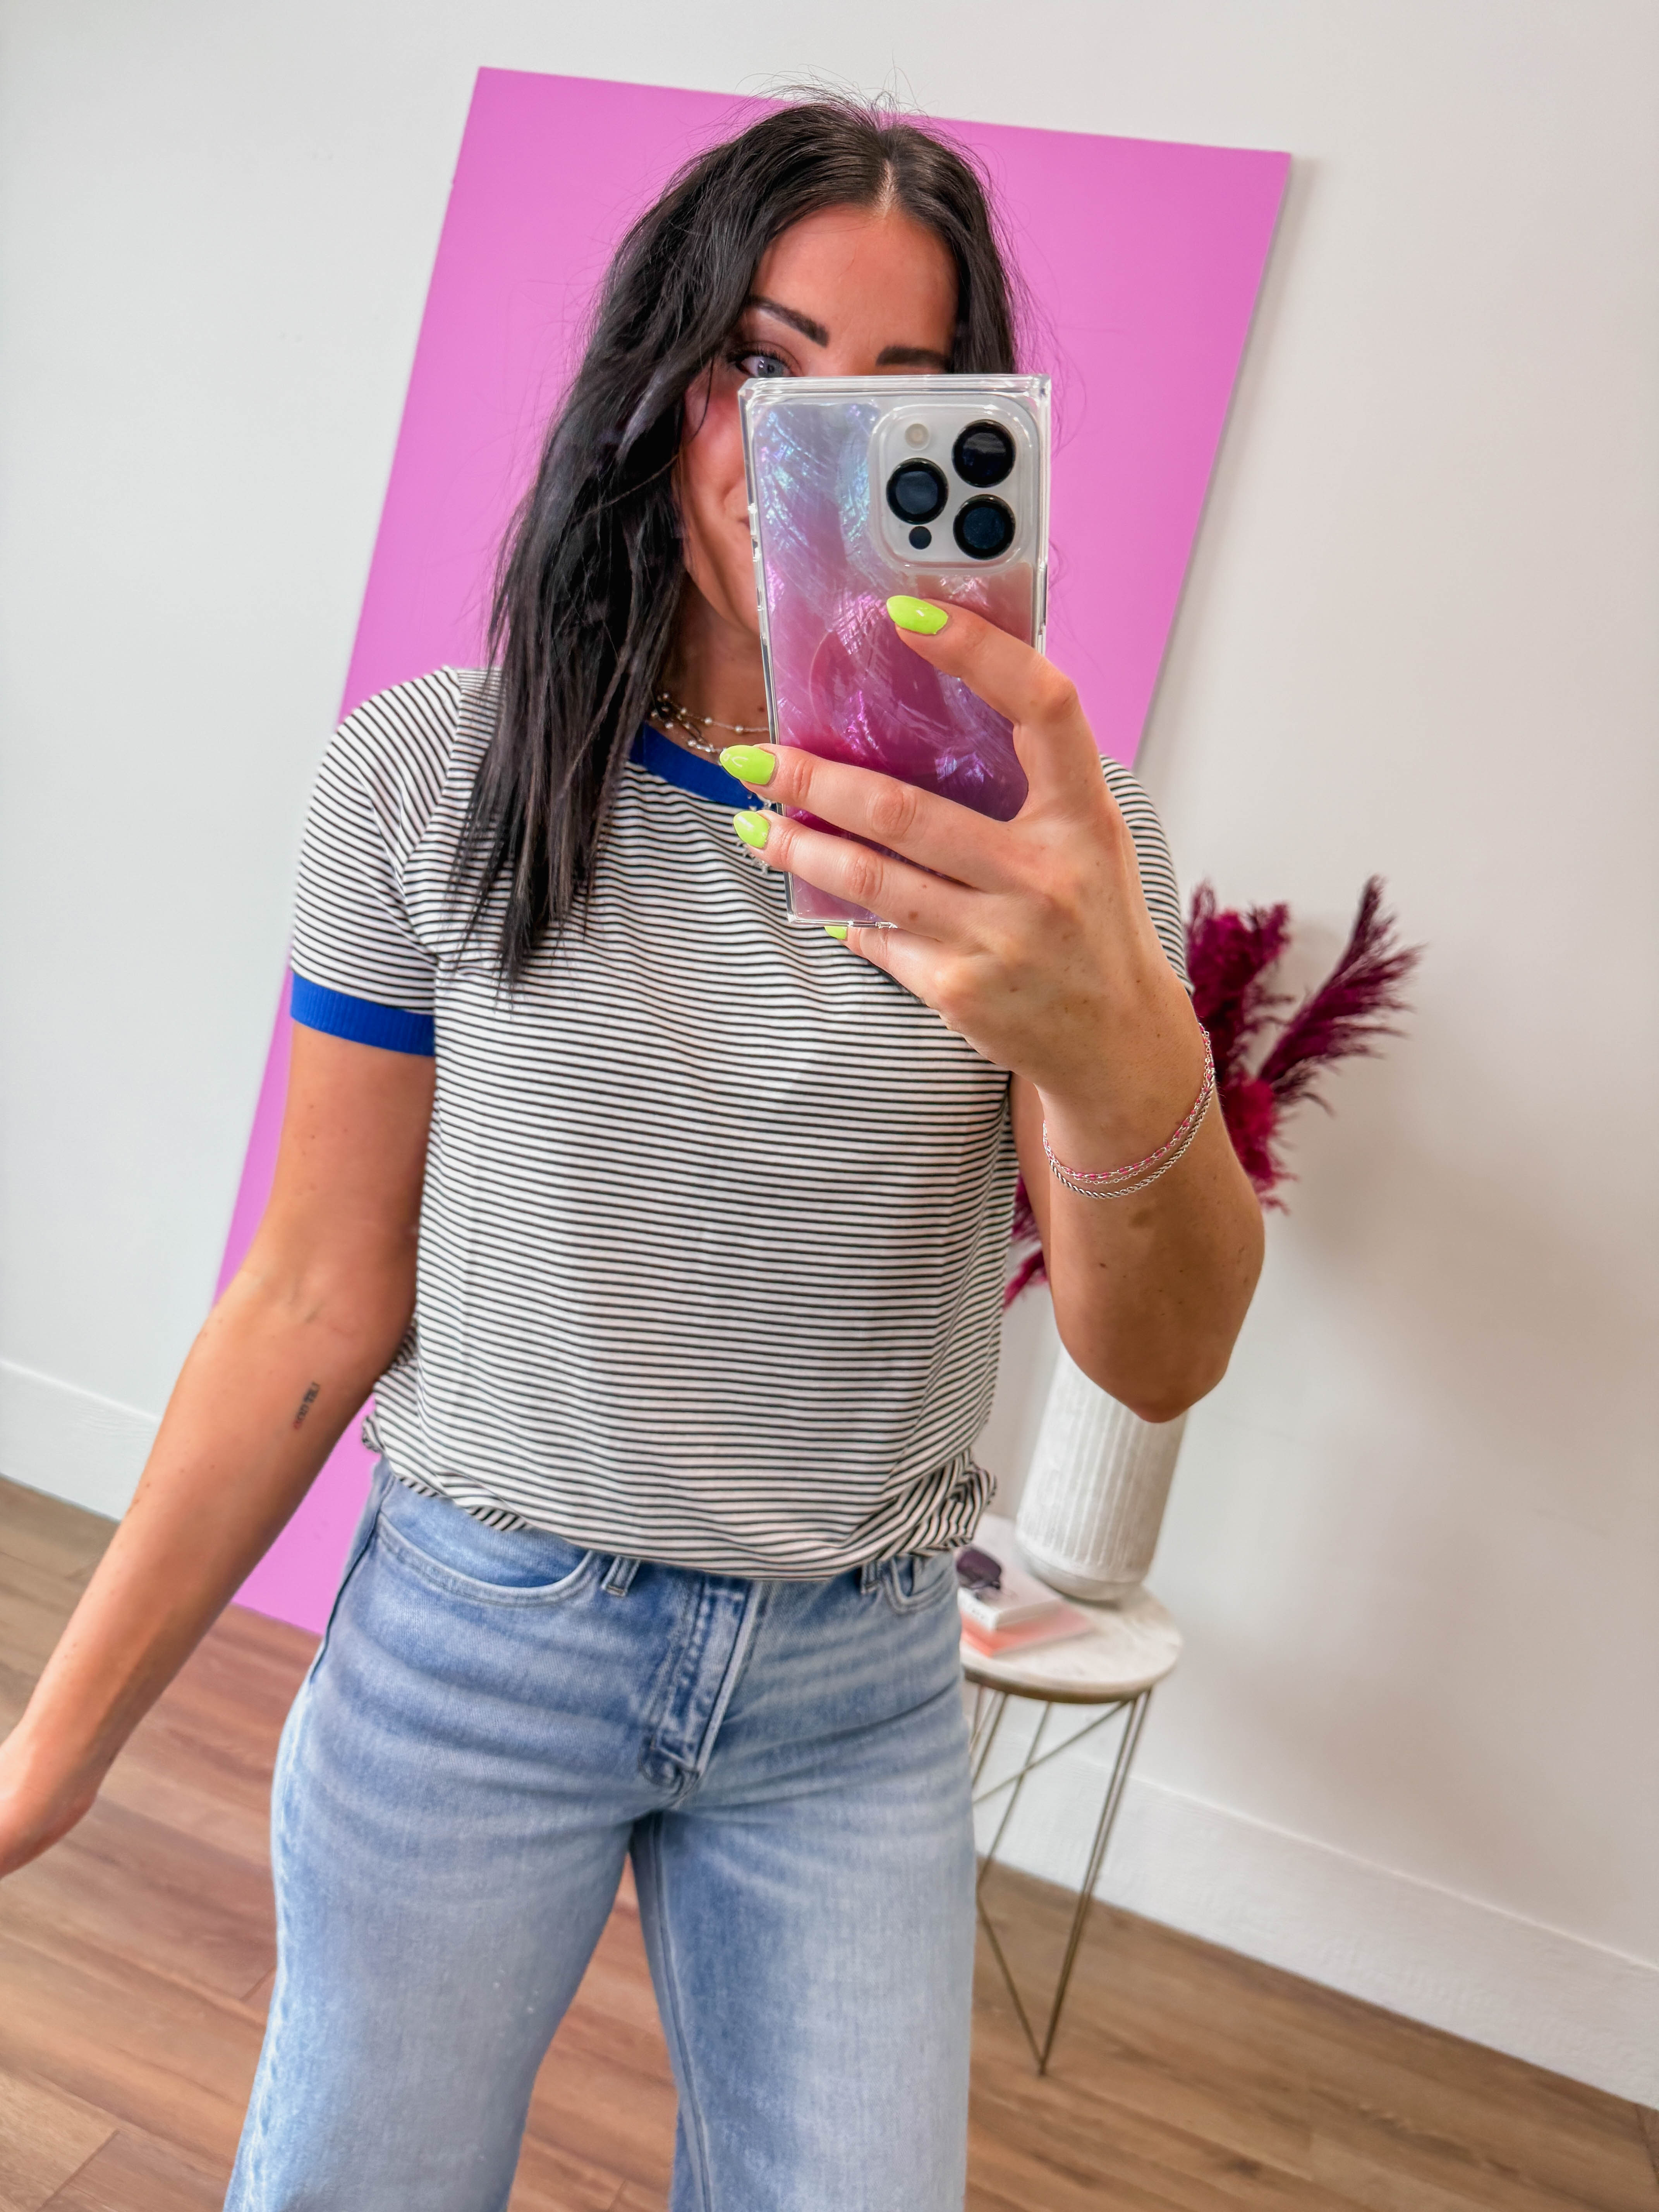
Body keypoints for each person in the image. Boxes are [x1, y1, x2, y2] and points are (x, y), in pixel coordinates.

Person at [0, 98, 1263, 2211]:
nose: (800, 453)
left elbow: (1163, 1356)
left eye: (891, 398)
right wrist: (50, 1752)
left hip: (854, 1688)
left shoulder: (1065, 850)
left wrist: (1110, 1033)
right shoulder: (433, 778)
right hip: (478, 1644)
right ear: (662, 390)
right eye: (764, 368)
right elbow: (312, 1295)